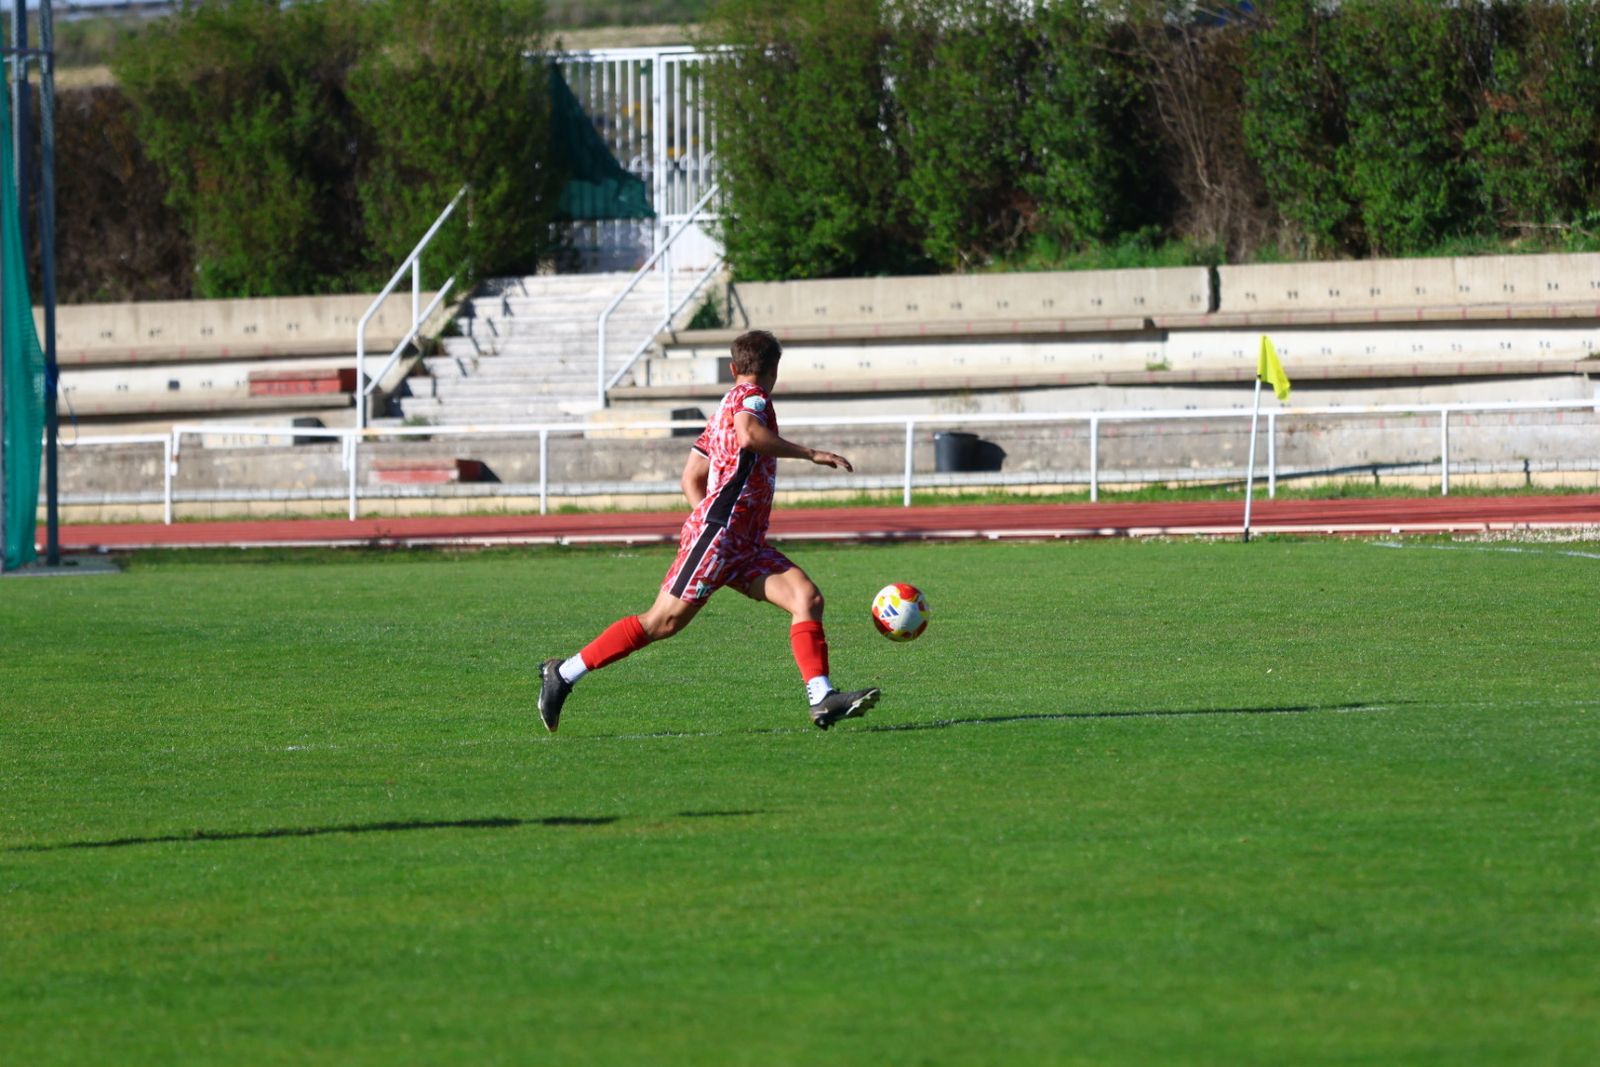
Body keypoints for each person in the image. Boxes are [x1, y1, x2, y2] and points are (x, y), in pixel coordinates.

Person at [538, 329, 880, 732]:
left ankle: (821, 696)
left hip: (741, 542)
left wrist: (712, 518)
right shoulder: (753, 400)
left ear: (734, 367)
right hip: (720, 536)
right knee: (662, 622)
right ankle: (562, 674)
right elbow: (750, 437)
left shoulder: (723, 410)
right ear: (773, 370)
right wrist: (810, 454)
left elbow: (691, 477)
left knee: (807, 598)